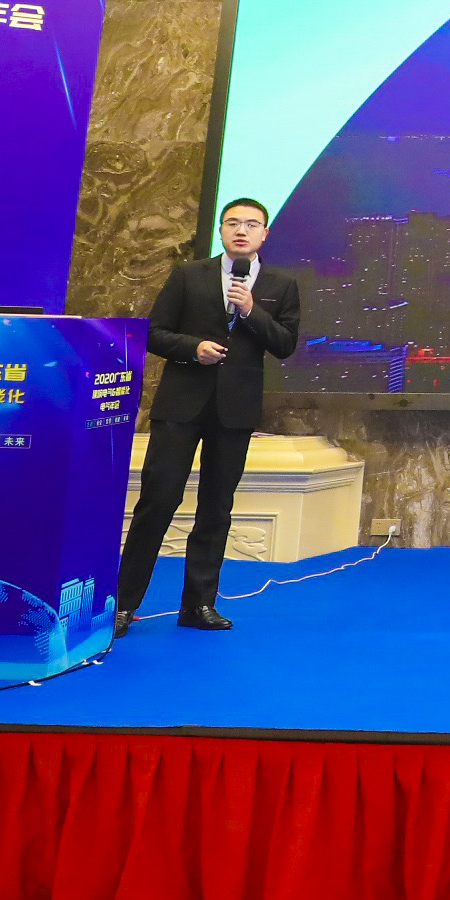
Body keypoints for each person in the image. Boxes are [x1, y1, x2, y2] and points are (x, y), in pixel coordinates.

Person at [116, 197, 301, 634]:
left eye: (251, 224)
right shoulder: (189, 274)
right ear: (220, 231)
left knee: (216, 508)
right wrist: (192, 348)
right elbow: (154, 333)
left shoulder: (282, 284)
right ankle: (122, 604)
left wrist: (251, 311)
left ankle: (198, 605)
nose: (241, 230)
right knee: (157, 501)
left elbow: (285, 344)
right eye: (232, 222)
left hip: (235, 410)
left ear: (264, 234)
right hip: (181, 405)